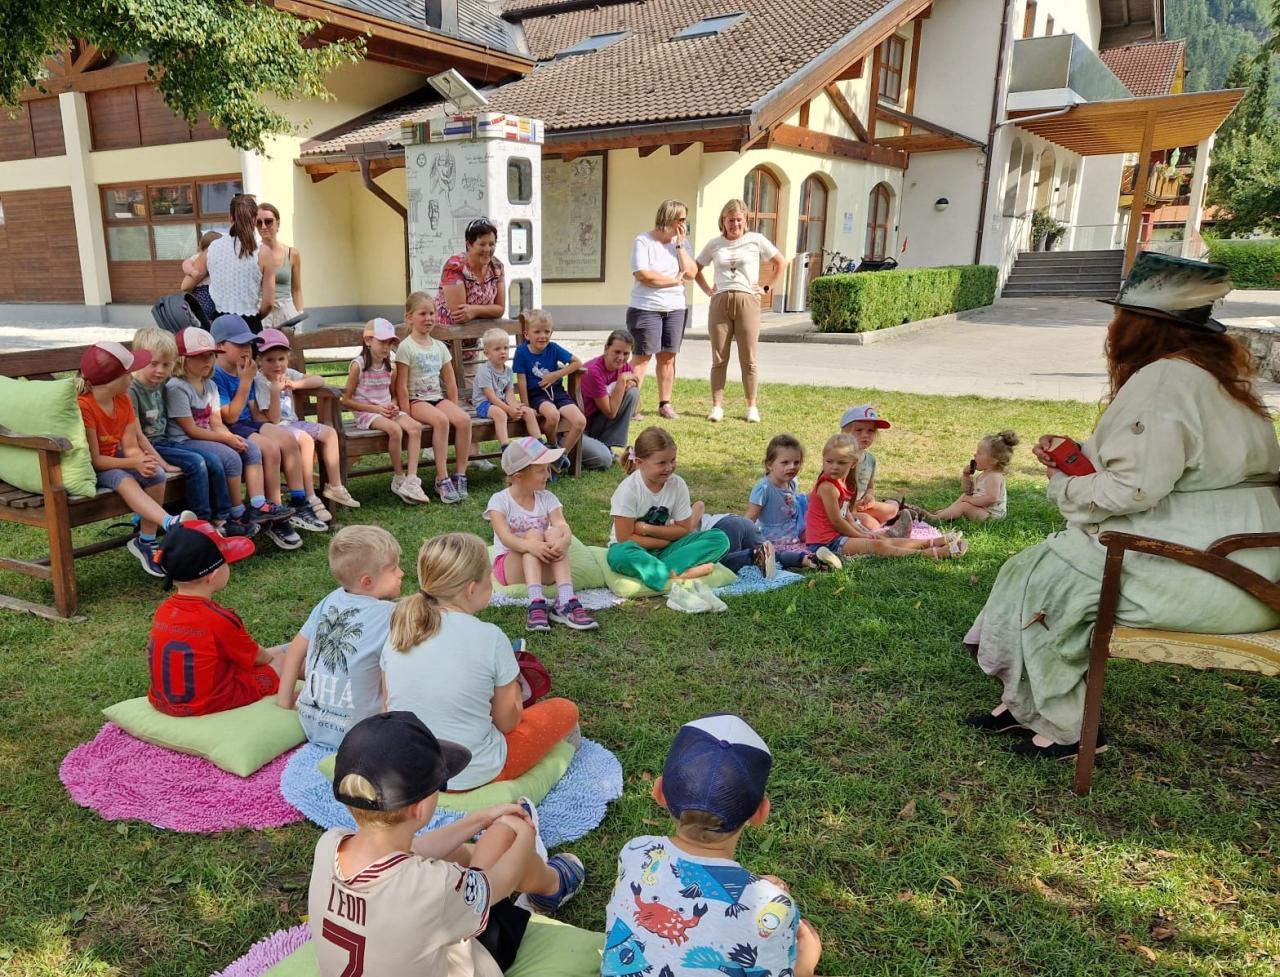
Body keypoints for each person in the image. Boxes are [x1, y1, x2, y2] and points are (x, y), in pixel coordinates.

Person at [966, 253, 1280, 760]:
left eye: (1119, 316)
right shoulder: (1218, 378)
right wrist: (1082, 457)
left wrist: (1064, 485)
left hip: (1205, 574)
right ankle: (1023, 700)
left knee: (1043, 578)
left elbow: (1130, 492)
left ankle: (1063, 727)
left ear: (1141, 325)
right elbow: (1170, 466)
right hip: (1251, 566)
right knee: (1031, 567)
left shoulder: (1165, 380)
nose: (1113, 328)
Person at [309, 713, 585, 977]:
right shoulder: (433, 884)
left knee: (457, 852)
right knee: (502, 836)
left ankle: (537, 876)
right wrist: (525, 834)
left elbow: (415, 851)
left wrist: (478, 819)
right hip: (471, 958)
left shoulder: (329, 845)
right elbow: (500, 882)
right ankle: (553, 885)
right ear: (421, 807)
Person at [603, 713, 823, 977]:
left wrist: (755, 888)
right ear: (760, 813)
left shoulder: (636, 852)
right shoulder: (776, 907)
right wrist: (806, 964)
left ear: (659, 792)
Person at [382, 533, 583, 789]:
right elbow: (507, 722)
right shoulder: (491, 638)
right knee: (564, 709)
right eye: (489, 576)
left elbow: (388, 707)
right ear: (471, 588)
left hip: (408, 768)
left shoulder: (398, 632)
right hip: (474, 771)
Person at [165, 325, 297, 545]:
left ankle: (257, 505)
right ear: (183, 360)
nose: (208, 361)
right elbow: (190, 429)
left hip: (207, 436)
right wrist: (226, 438)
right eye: (200, 357)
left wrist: (231, 438)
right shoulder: (177, 387)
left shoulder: (209, 385)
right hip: (185, 441)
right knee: (230, 457)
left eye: (210, 356)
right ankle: (235, 513)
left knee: (249, 448)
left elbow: (216, 422)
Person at [75, 341, 196, 576]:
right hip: (98, 467)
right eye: (128, 373)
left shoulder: (123, 401)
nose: (132, 377)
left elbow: (130, 447)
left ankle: (147, 540)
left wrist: (143, 462)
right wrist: (132, 463)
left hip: (116, 459)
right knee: (124, 478)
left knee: (156, 473)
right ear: (111, 379)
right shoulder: (85, 406)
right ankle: (170, 522)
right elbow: (96, 460)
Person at [277, 526, 403, 748]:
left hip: (310, 722)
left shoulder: (331, 599)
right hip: (358, 735)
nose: (401, 573)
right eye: (393, 569)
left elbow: (296, 649)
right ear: (367, 581)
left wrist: (284, 703)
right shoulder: (390, 615)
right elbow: (391, 682)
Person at [148, 523, 282, 716]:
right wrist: (275, 660)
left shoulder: (163, 611)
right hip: (208, 703)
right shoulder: (218, 619)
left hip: (162, 702)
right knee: (284, 662)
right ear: (213, 575)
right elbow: (259, 658)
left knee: (282, 651)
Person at [130, 327, 253, 537]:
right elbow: (137, 436)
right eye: (154, 364)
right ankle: (201, 522)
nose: (160, 370)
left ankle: (222, 518)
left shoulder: (161, 385)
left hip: (165, 442)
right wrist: (163, 463)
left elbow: (215, 422)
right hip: (153, 446)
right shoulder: (135, 390)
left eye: (165, 365)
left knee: (213, 461)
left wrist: (227, 437)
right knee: (197, 462)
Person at [210, 315, 321, 540]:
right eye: (239, 344)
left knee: (287, 439)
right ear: (220, 346)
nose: (247, 350)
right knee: (269, 448)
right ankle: (273, 512)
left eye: (248, 344)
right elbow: (229, 417)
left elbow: (252, 409)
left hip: (247, 422)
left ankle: (299, 502)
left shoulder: (244, 369)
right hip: (227, 428)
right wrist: (245, 382)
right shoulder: (217, 374)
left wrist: (266, 418)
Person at [485, 438, 599, 633]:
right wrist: (531, 546)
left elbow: (562, 524)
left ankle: (565, 600)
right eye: (541, 470)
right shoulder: (499, 501)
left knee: (555, 532)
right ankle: (535, 601)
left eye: (547, 468)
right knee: (535, 534)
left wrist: (565, 539)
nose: (548, 474)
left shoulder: (547, 498)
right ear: (519, 476)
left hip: (541, 562)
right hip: (510, 567)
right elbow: (505, 537)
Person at [695, 199, 787, 424]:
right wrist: (708, 289)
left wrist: (766, 287)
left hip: (747, 300)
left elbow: (780, 262)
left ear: (745, 220)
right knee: (719, 357)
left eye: (738, 220)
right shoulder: (715, 244)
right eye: (730, 220)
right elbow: (696, 268)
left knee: (749, 358)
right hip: (720, 301)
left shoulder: (755, 240)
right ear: (723, 221)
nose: (734, 224)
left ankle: (751, 406)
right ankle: (717, 406)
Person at [251, 327, 359, 521]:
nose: (277, 365)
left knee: (329, 433)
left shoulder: (289, 374)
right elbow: (273, 419)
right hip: (277, 430)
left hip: (294, 424)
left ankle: (334, 486)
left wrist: (296, 385)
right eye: (270, 360)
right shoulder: (260, 382)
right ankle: (310, 495)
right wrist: (275, 391)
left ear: (288, 358)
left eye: (281, 359)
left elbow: (319, 380)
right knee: (307, 441)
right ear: (259, 360)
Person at [607, 426, 731, 592]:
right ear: (639, 462)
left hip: (667, 548)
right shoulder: (628, 490)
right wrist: (662, 541)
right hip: (634, 549)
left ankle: (662, 572)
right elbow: (624, 538)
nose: (669, 467)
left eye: (672, 460)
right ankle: (678, 572)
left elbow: (684, 528)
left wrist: (646, 529)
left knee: (719, 538)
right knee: (619, 556)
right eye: (661, 463)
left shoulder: (677, 484)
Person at [806, 434, 965, 560]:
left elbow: (845, 514)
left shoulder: (842, 483)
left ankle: (932, 542)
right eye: (829, 461)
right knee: (878, 546)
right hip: (824, 543)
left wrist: (863, 533)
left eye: (841, 463)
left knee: (882, 539)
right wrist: (862, 536)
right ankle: (931, 554)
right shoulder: (828, 487)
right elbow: (837, 521)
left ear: (853, 463)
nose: (834, 466)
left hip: (836, 536)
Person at [396, 292, 473, 504]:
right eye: (423, 314)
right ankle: (442, 478)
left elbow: (450, 382)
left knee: (464, 420)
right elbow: (401, 384)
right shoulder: (406, 346)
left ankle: (460, 474)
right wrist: (405, 413)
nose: (429, 318)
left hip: (437, 398)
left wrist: (454, 406)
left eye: (432, 313)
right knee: (441, 420)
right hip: (416, 401)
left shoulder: (439, 347)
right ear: (409, 317)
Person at [342, 318, 429, 505]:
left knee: (415, 427)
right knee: (395, 430)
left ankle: (412, 480)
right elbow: (347, 400)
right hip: (367, 413)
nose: (386, 347)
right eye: (382, 342)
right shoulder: (358, 366)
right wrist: (375, 409)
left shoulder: (391, 363)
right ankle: (398, 478)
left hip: (386, 410)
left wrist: (394, 404)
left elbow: (393, 395)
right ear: (368, 341)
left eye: (390, 343)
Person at [627, 200, 697, 420]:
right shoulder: (643, 241)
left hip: (675, 308)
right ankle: (631, 406)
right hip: (646, 308)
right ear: (669, 218)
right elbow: (643, 275)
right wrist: (673, 281)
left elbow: (691, 273)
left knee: (668, 358)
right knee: (642, 358)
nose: (685, 224)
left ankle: (665, 403)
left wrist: (679, 247)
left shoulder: (682, 244)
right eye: (682, 219)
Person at [182, 193, 275, 332]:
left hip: (220, 324)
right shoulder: (264, 252)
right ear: (255, 219)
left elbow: (185, 286)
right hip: (250, 324)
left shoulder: (212, 248)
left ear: (230, 218)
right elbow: (268, 304)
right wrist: (255, 318)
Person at [512, 310, 586, 471]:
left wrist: (555, 375)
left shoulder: (553, 348)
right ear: (527, 334)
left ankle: (560, 457)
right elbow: (522, 380)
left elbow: (577, 363)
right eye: (537, 331)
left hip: (557, 391)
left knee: (580, 421)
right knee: (553, 415)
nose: (542, 336)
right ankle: (551, 446)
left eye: (547, 331)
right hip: (537, 395)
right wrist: (526, 404)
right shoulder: (522, 352)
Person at [743, 434, 824, 571]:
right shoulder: (764, 489)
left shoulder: (791, 482)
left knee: (820, 537)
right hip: (772, 537)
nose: (792, 467)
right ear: (769, 465)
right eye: (785, 462)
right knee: (783, 554)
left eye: (796, 462)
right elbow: (750, 518)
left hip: (793, 532)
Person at [912, 431, 1019, 523]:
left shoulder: (994, 477)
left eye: (979, 453)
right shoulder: (984, 474)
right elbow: (968, 491)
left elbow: (991, 498)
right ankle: (947, 512)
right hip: (982, 510)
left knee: (965, 505)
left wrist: (970, 501)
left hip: (991, 516)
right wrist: (966, 475)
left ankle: (935, 518)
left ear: (993, 460)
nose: (975, 455)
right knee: (964, 497)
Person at [579, 329, 640, 471]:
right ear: (606, 348)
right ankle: (572, 451)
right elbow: (611, 412)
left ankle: (606, 445)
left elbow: (636, 404)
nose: (621, 358)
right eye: (617, 352)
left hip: (595, 424)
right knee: (604, 460)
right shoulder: (593, 371)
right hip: (577, 429)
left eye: (626, 354)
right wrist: (622, 381)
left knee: (632, 393)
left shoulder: (624, 366)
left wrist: (627, 386)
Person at [473, 326, 540, 449]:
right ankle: (506, 447)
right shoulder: (485, 371)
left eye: (505, 348)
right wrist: (509, 410)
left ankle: (539, 445)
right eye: (497, 349)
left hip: (501, 401)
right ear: (487, 353)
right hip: (484, 404)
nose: (503, 351)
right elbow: (491, 397)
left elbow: (509, 393)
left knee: (528, 411)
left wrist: (514, 407)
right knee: (500, 414)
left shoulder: (508, 371)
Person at [839, 404, 902, 530]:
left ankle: (892, 518)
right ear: (845, 433)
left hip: (861, 506)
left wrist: (870, 496)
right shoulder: (841, 458)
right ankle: (885, 525)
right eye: (859, 430)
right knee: (872, 525)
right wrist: (853, 506)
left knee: (892, 508)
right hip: (842, 509)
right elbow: (833, 492)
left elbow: (870, 487)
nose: (865, 435)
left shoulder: (870, 460)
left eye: (870, 431)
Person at [436, 217, 506, 326]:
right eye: (482, 244)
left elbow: (500, 309)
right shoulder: (454, 266)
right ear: (469, 245)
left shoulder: (497, 267)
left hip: (476, 336)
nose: (487, 249)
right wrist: (489, 311)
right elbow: (459, 314)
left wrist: (474, 310)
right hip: (447, 337)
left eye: (492, 244)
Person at [256, 202, 305, 329]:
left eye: (268, 221)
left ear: (277, 223)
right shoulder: (253, 254)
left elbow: (296, 289)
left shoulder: (291, 253)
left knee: (292, 348)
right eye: (258, 223)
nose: (264, 226)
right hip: (262, 312)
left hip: (286, 311)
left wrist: (299, 314)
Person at [180, 230, 221, 323]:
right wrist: (192, 272)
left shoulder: (220, 259)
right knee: (200, 309)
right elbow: (185, 264)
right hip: (201, 290)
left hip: (213, 290)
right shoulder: (198, 257)